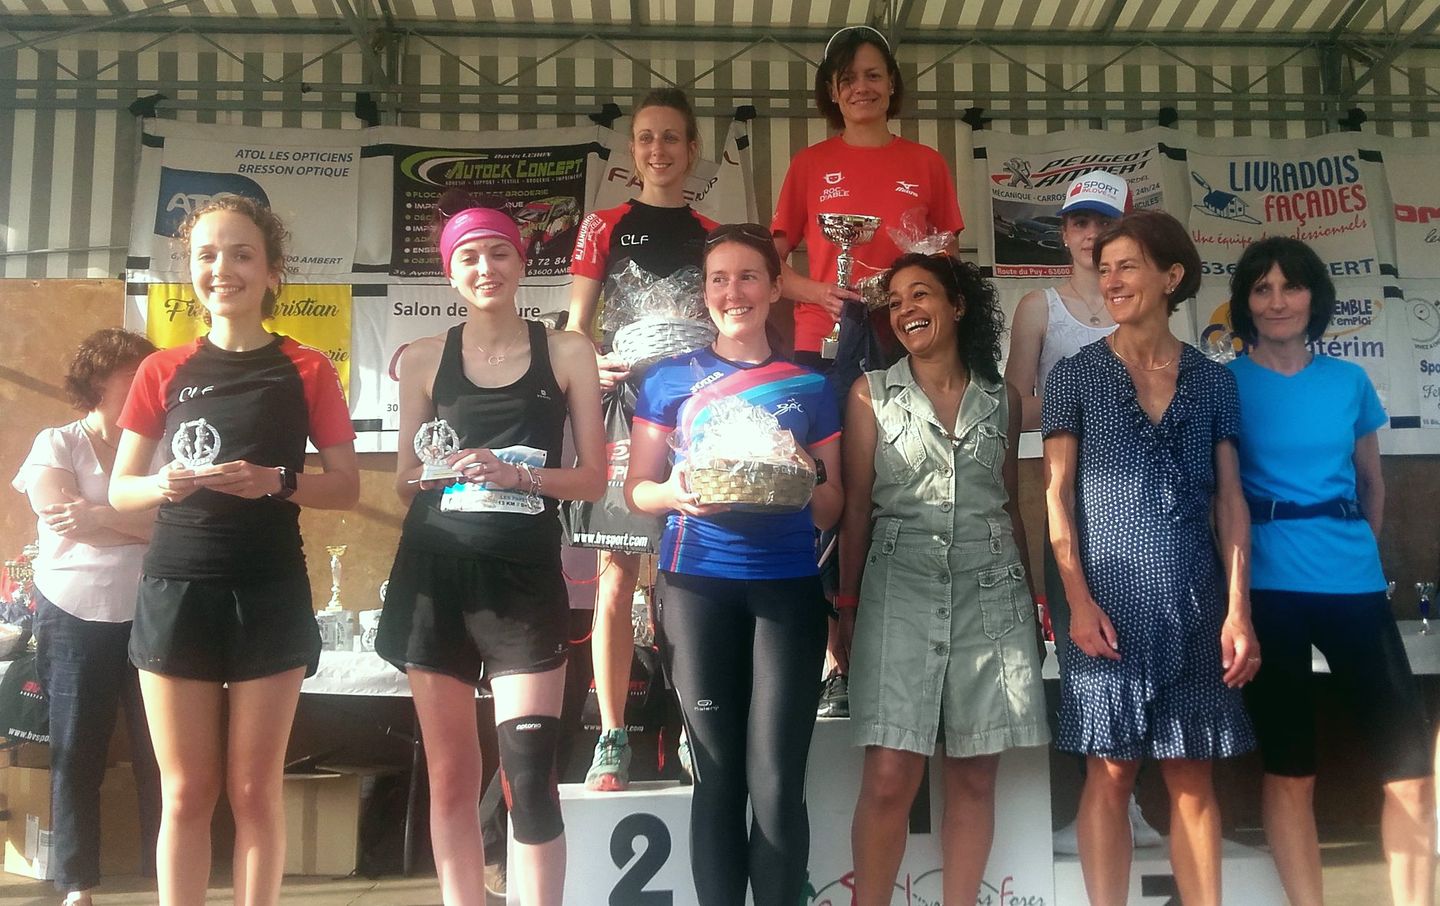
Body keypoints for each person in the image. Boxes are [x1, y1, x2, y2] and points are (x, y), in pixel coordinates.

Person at [109, 195, 360, 906]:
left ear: (273, 271)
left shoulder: (308, 368)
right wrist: (162, 483)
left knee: (254, 791)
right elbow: (121, 490)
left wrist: (277, 481)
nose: (224, 268)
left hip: (269, 589)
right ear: (191, 271)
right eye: (208, 255)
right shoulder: (162, 369)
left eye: (242, 253)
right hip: (177, 589)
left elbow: (344, 486)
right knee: (186, 792)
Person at [375, 201, 604, 906]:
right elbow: (405, 482)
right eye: (469, 256)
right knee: (449, 772)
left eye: (499, 253)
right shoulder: (421, 359)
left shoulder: (567, 351)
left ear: (520, 261)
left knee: (529, 772)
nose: (485, 268)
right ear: (450, 272)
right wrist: (441, 470)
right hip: (435, 575)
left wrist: (517, 475)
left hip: (523, 579)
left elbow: (593, 478)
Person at [1041, 209, 1259, 906]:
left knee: (1192, 777)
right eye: (1104, 269)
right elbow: (1056, 498)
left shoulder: (1215, 381)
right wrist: (1075, 600)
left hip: (1197, 603)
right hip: (1104, 610)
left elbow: (1230, 503)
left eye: (1127, 265)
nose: (1111, 280)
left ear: (1171, 276)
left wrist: (1238, 611)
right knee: (1109, 771)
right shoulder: (1074, 376)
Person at [624, 223, 843, 906]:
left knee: (776, 777)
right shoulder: (666, 381)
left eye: (749, 276)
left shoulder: (811, 383)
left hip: (787, 591)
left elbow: (832, 503)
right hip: (697, 590)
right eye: (719, 278)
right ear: (704, 295)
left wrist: (799, 472)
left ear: (776, 287)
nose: (733, 291)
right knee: (717, 775)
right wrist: (675, 493)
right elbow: (639, 491)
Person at [1226, 237, 1435, 906]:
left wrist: (1355, 551)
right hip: (1269, 592)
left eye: (1291, 286)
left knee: (1409, 770)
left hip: (1355, 588)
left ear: (1315, 297)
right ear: (1246, 302)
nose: (1278, 300)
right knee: (1292, 770)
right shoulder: (1225, 382)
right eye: (1262, 288)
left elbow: (1372, 482)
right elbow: (1217, 498)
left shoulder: (1349, 381)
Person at [839, 253, 1047, 905]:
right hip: (897, 588)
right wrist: (844, 610)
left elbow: (1011, 505)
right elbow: (855, 508)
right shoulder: (870, 392)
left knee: (975, 775)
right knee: (890, 776)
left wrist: (1034, 602)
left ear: (957, 305)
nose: (905, 310)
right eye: (895, 302)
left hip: (993, 594)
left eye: (919, 295)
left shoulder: (1002, 399)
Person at [771, 23, 964, 718]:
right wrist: (817, 291)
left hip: (905, 341)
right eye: (848, 77)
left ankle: (903, 644)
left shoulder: (928, 162)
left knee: (901, 490)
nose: (862, 87)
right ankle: (832, 661)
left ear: (892, 85)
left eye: (874, 74)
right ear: (832, 90)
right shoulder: (808, 163)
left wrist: (910, 275)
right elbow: (774, 258)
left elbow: (948, 256)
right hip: (824, 346)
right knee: (827, 495)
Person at [1003, 169, 1161, 852]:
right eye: (1076, 222)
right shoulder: (1040, 306)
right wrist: (1091, 398)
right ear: (1063, 231)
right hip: (1066, 499)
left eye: (1101, 222)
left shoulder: (1149, 305)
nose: (1088, 235)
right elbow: (1013, 407)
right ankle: (1093, 807)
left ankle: (1136, 807)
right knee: (1083, 658)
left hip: (1146, 504)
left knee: (1151, 656)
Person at [565, 87, 717, 792]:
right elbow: (576, 325)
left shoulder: (714, 231)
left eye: (672, 139)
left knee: (689, 577)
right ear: (634, 151)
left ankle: (694, 729)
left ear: (692, 150)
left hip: (692, 416)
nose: (659, 150)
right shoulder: (602, 226)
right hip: (624, 410)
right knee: (616, 579)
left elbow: (732, 321)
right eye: (646, 138)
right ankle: (611, 736)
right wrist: (587, 363)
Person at [12, 328, 162, 906]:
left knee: (162, 752)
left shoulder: (167, 444)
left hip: (154, 612)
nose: (148, 386)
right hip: (72, 615)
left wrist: (99, 519)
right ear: (97, 383)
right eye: (133, 376)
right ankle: (77, 881)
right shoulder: (58, 443)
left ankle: (166, 870)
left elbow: (178, 527)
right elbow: (58, 515)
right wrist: (134, 523)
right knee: (78, 750)